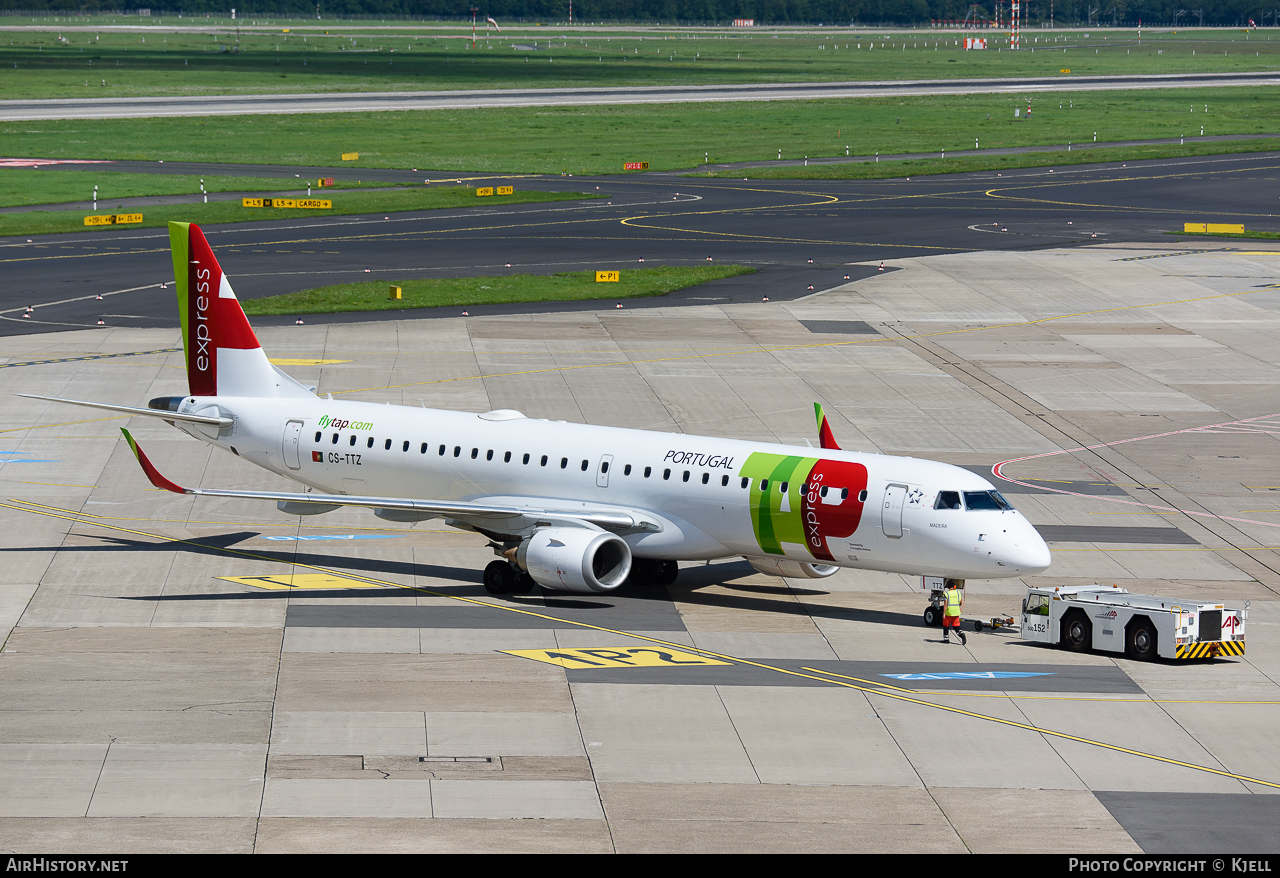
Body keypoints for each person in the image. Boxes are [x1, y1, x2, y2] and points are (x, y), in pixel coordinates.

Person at [942, 580, 967, 645]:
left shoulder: (947, 594)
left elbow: (945, 604)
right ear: (955, 586)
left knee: (946, 626)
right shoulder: (958, 593)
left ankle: (946, 639)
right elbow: (961, 602)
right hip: (956, 612)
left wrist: (944, 613)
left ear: (948, 587)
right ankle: (961, 634)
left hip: (949, 613)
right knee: (956, 626)